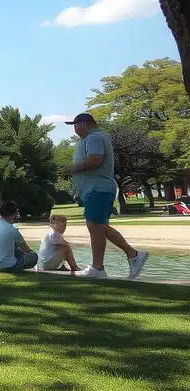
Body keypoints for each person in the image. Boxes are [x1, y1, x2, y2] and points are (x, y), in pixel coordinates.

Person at [63, 113, 149, 279]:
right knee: (98, 226)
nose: (74, 129)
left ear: (85, 124)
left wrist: (71, 169)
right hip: (94, 189)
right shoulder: (88, 139)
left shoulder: (94, 137)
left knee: (95, 226)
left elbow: (95, 161)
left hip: (98, 188)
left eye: (75, 125)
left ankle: (98, 268)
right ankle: (133, 255)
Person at [0, 201, 37, 271]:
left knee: (15, 249)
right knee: (34, 256)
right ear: (14, 215)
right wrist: (32, 252)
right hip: (7, 267)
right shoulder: (12, 229)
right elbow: (26, 249)